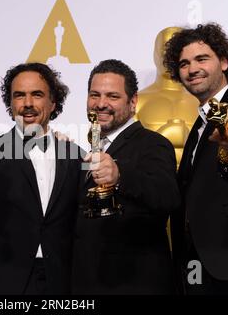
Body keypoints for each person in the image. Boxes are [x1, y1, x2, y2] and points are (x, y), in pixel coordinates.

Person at [163, 23, 228, 294]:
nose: (192, 69)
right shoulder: (197, 129)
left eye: (202, 59)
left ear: (223, 62)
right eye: (184, 63)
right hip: (199, 269)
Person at [0, 62, 81, 294]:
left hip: (58, 279)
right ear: (10, 103)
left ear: (53, 102)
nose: (27, 103)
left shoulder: (75, 156)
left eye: (37, 94)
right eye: (19, 95)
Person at [72, 59, 180, 294]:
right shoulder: (89, 149)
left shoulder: (153, 143)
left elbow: (167, 196)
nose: (101, 104)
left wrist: (119, 176)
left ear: (133, 102)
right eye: (94, 95)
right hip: (87, 283)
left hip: (134, 284)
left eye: (112, 96)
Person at [136, 27, 199, 167]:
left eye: (177, 51)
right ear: (155, 54)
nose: (171, 56)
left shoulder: (203, 102)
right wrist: (162, 137)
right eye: (166, 49)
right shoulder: (137, 101)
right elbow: (125, 151)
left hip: (195, 183)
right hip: (150, 182)